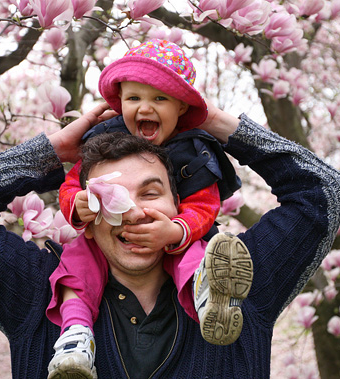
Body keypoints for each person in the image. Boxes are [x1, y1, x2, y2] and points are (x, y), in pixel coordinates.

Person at [0, 101, 340, 379]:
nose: (134, 210)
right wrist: (54, 152)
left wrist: (207, 118)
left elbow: (323, 191)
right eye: (109, 196)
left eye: (151, 192)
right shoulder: (37, 290)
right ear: (84, 210)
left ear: (180, 206)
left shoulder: (235, 281)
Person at [47, 39, 250, 377]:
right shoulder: (101, 143)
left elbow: (205, 204)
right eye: (134, 98)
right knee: (74, 266)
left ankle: (208, 300)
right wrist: (77, 203)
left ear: (182, 108)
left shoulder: (195, 150)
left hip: (176, 238)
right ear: (119, 102)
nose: (145, 107)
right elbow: (71, 185)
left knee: (196, 257)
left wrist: (175, 231)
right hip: (104, 235)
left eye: (160, 98)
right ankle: (75, 338)